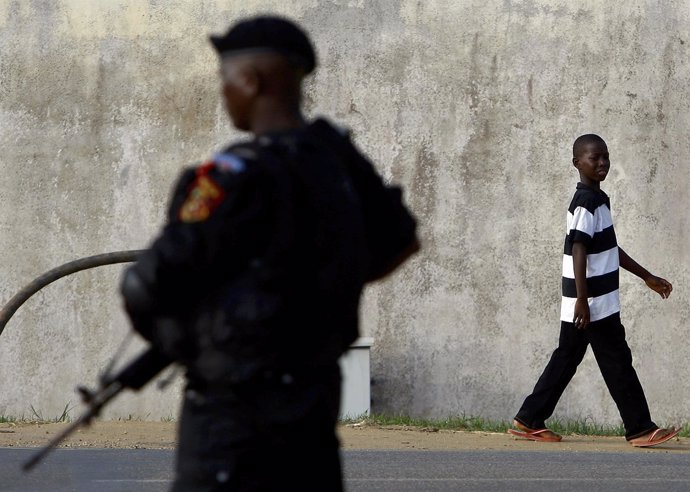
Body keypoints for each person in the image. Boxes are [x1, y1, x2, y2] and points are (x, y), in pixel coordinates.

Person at [120, 15, 419, 491]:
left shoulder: (233, 173)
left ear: (251, 80)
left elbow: (146, 284)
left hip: (230, 423)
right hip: (312, 407)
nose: (224, 94)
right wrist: (321, 291)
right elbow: (401, 240)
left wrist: (187, 342)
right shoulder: (337, 158)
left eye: (225, 80)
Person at [508, 134, 678, 448]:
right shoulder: (586, 200)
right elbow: (578, 247)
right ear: (577, 164)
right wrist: (583, 301)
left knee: (567, 357)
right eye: (593, 158)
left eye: (605, 157)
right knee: (616, 359)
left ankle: (528, 419)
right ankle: (640, 428)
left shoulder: (597, 199)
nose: (601, 163)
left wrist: (646, 276)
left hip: (593, 301)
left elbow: (609, 247)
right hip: (591, 303)